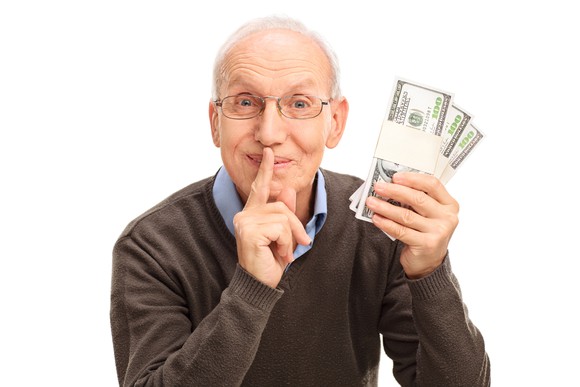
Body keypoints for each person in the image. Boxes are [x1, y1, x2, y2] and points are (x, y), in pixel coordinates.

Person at [110, 15, 490, 386]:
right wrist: (251, 289)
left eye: (300, 104)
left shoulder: (380, 223)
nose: (270, 133)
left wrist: (430, 274)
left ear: (335, 123)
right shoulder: (151, 246)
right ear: (215, 122)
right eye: (244, 103)